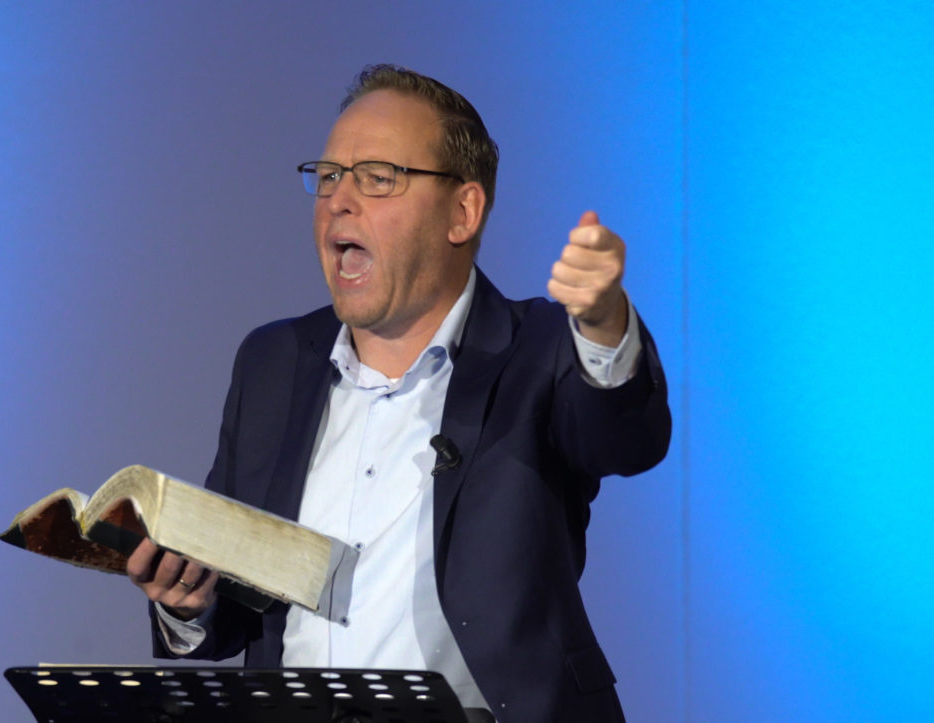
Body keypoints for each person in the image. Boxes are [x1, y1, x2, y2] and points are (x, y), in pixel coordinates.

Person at [125, 64, 670, 722]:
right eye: (329, 175)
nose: (338, 200)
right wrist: (188, 603)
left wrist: (605, 325)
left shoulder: (542, 350)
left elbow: (627, 440)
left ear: (462, 212)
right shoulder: (272, 362)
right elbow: (237, 605)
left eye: (378, 177)